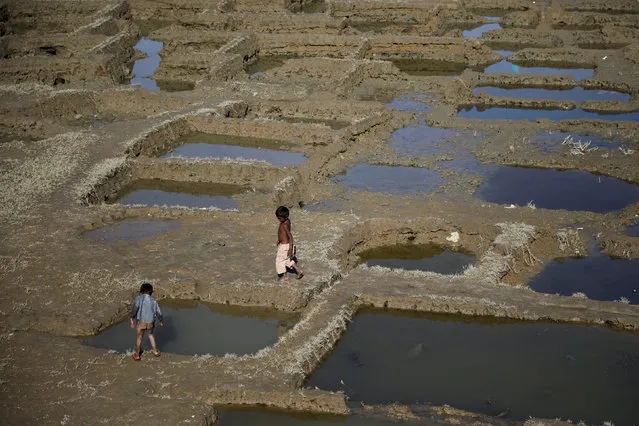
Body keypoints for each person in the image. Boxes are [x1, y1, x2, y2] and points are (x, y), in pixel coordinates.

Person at [129, 282, 164, 361]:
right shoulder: (154, 301)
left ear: (141, 291)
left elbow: (135, 309)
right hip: (150, 322)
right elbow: (158, 312)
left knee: (139, 337)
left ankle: (137, 355)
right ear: (151, 292)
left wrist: (132, 318)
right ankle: (155, 351)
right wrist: (161, 320)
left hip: (141, 322)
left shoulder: (139, 298)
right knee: (150, 335)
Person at [275, 206, 304, 281]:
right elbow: (283, 234)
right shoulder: (287, 221)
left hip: (285, 246)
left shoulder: (284, 225)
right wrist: (279, 239)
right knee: (287, 259)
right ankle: (298, 270)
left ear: (285, 217)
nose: (278, 220)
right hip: (286, 245)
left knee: (279, 260)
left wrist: (290, 249)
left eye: (280, 218)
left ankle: (284, 276)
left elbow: (290, 236)